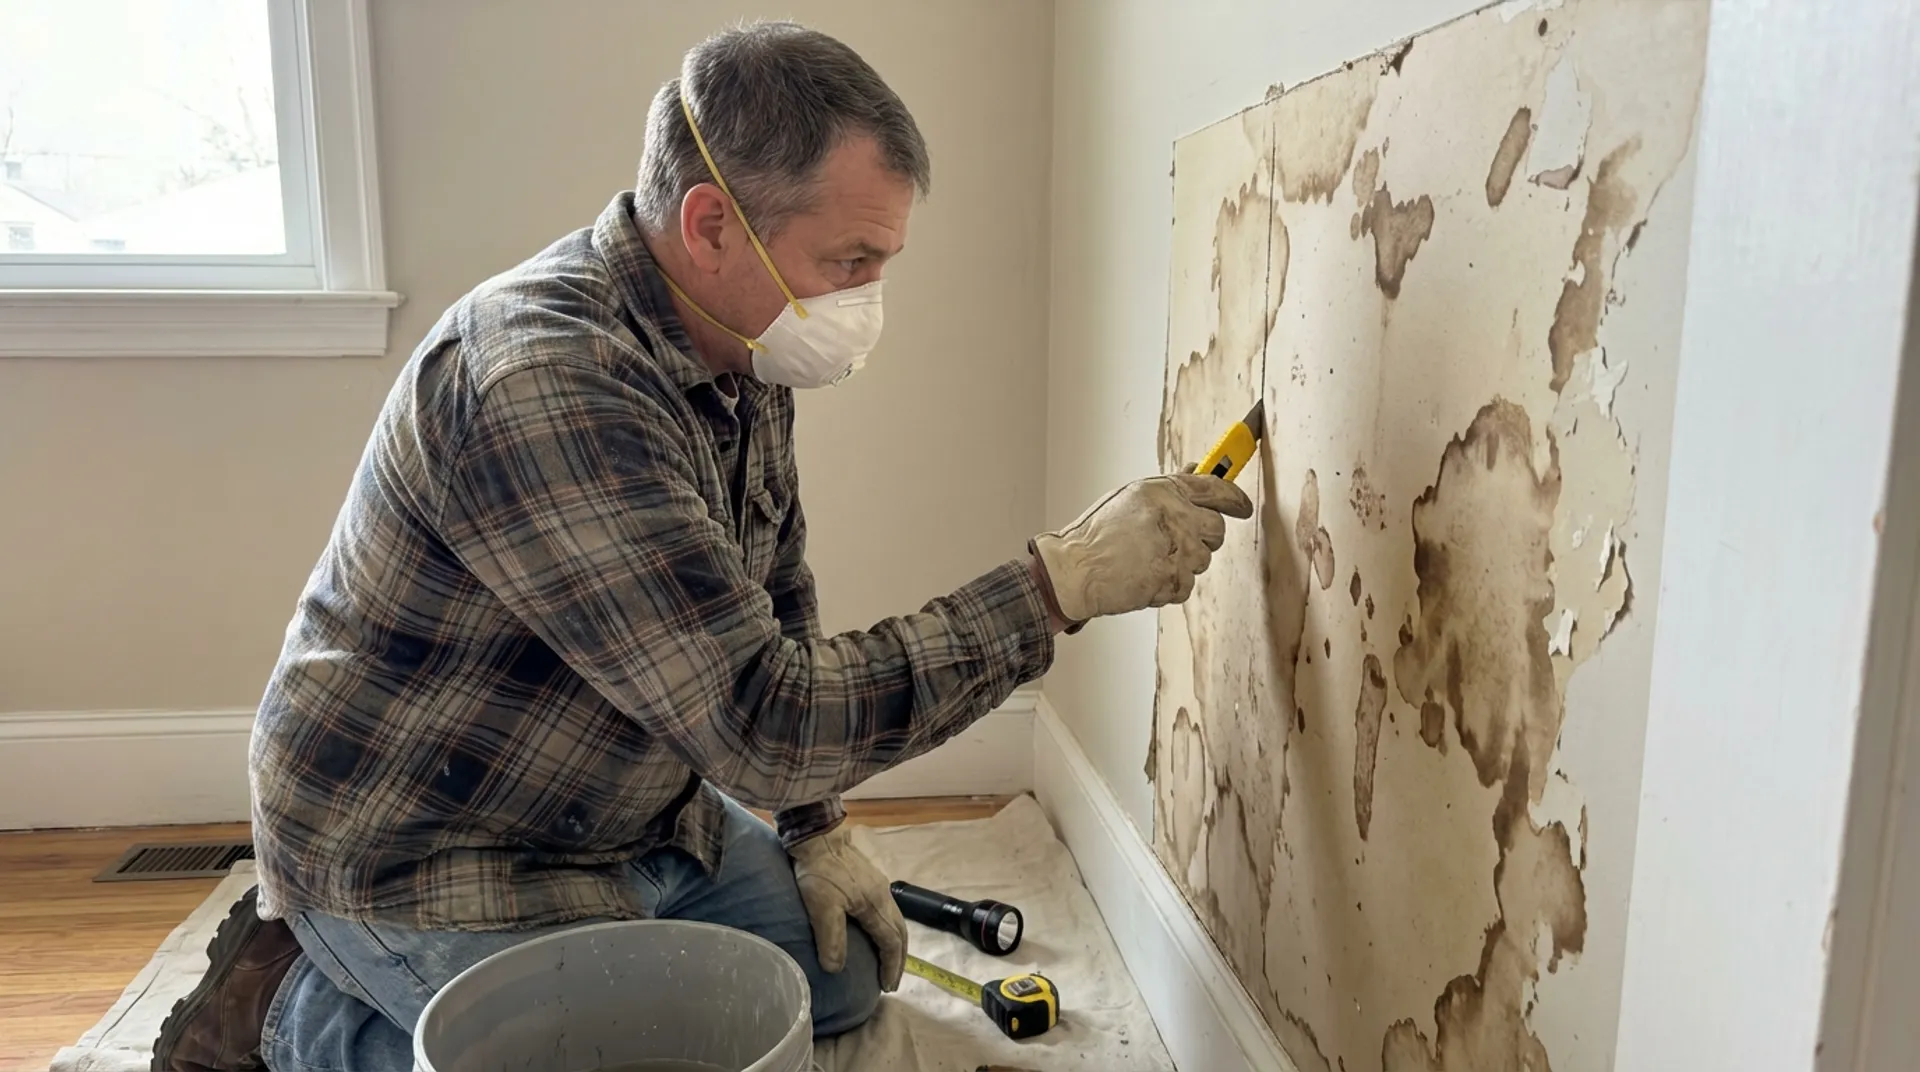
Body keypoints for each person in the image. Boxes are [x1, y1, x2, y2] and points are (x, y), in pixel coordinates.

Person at [152, 20, 1251, 1072]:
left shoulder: (736, 337)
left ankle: (469, 968)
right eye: (851, 259)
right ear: (713, 225)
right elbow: (762, 722)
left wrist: (817, 830)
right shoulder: (547, 381)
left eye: (880, 261)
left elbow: (776, 592)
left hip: (622, 797)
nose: (867, 298)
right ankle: (287, 1010)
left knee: (844, 979)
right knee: (630, 1055)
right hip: (428, 847)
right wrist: (1052, 587)